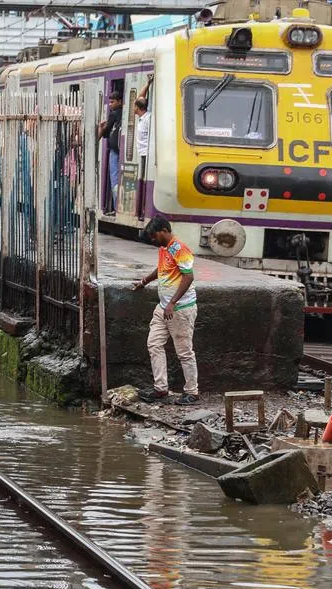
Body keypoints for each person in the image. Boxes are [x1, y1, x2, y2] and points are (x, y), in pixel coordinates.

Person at [131, 216, 199, 405]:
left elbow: (188, 277)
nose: (153, 240)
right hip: (163, 307)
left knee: (184, 352)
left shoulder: (180, 249)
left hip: (180, 309)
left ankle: (192, 392)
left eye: (154, 236)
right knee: (154, 344)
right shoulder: (164, 249)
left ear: (164, 231)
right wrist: (143, 281)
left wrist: (173, 302)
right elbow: (161, 270)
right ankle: (160, 389)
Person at [98, 91, 122, 214]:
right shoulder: (123, 113)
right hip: (119, 149)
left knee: (114, 179)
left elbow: (106, 132)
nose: (110, 105)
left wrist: (101, 129)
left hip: (114, 151)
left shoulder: (113, 114)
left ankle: (116, 206)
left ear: (120, 101)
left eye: (112, 102)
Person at [134, 76, 152, 217]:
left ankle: (144, 209)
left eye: (134, 106)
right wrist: (147, 84)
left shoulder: (148, 119)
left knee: (144, 180)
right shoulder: (142, 117)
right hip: (142, 152)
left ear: (138, 108)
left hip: (147, 153)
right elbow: (140, 97)